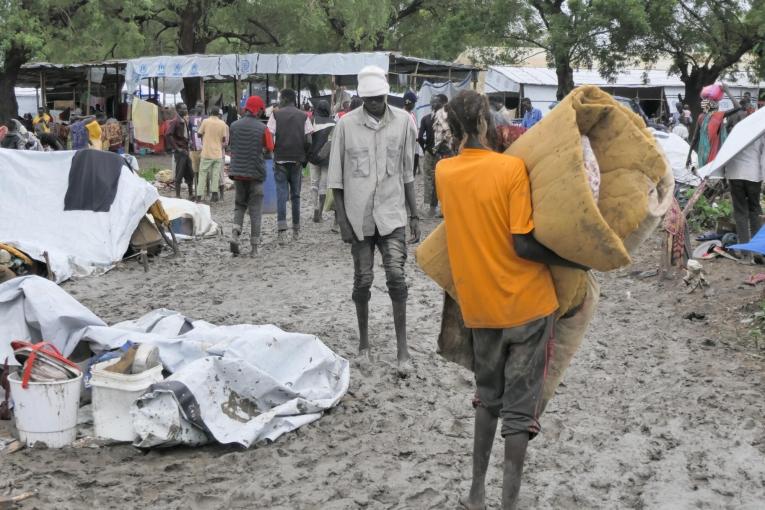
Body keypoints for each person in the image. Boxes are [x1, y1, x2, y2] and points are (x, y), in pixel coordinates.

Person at [435, 90, 586, 510]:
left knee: (487, 398)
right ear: (484, 123)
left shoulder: (444, 173)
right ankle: (509, 504)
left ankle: (475, 494)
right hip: (529, 306)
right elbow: (523, 244)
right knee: (519, 413)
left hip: (479, 309)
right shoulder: (511, 169)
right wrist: (571, 258)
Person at [328, 65, 420, 377]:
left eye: (379, 98)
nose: (375, 104)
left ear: (386, 93)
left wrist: (415, 214)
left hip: (392, 214)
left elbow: (407, 173)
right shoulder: (345, 126)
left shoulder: (404, 123)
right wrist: (342, 221)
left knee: (396, 276)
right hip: (359, 217)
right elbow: (336, 181)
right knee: (363, 280)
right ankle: (364, 345)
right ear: (361, 98)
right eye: (369, 100)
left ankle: (402, 349)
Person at [228, 96, 275, 257]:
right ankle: (254, 249)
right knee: (255, 210)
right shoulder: (262, 128)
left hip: (238, 174)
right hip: (256, 174)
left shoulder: (233, 125)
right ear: (259, 109)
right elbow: (270, 148)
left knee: (239, 205)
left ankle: (235, 233)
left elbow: (232, 145)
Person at [267, 88, 313, 243]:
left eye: (280, 98)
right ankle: (296, 229)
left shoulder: (275, 115)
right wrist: (303, 157)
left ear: (285, 99)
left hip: (280, 159)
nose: (279, 101)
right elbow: (309, 141)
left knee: (281, 194)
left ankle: (281, 231)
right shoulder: (304, 116)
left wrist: (274, 152)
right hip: (297, 160)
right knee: (296, 195)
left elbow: (269, 136)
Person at [724, 135, 765, 263]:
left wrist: (723, 174)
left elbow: (726, 153)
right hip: (753, 175)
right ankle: (757, 251)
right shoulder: (760, 132)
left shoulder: (736, 131)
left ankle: (746, 255)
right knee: (755, 210)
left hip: (735, 173)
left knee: (740, 212)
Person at [687, 84, 740, 168]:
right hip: (716, 157)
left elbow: (694, 138)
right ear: (713, 105)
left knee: (705, 177)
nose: (718, 104)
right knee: (714, 178)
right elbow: (738, 107)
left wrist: (688, 156)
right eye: (717, 102)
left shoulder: (701, 117)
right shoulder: (719, 115)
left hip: (703, 155)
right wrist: (727, 91)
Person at [306, 100, 335, 222]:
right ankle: (321, 214)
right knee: (323, 186)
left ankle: (315, 209)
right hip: (326, 159)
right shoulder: (334, 123)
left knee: (314, 184)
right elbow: (332, 142)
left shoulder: (312, 121)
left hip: (312, 157)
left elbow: (307, 139)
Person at [196, 106, 229, 202]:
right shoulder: (222, 123)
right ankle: (215, 195)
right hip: (218, 153)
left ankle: (199, 197)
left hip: (206, 153)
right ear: (219, 114)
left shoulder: (205, 121)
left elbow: (199, 134)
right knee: (215, 175)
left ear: (210, 112)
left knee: (202, 174)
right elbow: (223, 139)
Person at [165, 102, 195, 200]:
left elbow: (185, 135)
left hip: (186, 150)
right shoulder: (175, 121)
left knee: (189, 172)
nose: (185, 110)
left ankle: (190, 194)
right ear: (178, 110)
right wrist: (177, 148)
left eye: (186, 108)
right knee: (179, 172)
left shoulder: (184, 121)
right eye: (183, 109)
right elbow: (168, 134)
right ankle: (178, 195)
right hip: (180, 152)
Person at [403, 91, 422, 176]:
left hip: (415, 148)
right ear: (409, 103)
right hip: (407, 149)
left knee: (412, 173)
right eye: (414, 103)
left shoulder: (412, 114)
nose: (414, 105)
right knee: (408, 173)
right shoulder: (403, 115)